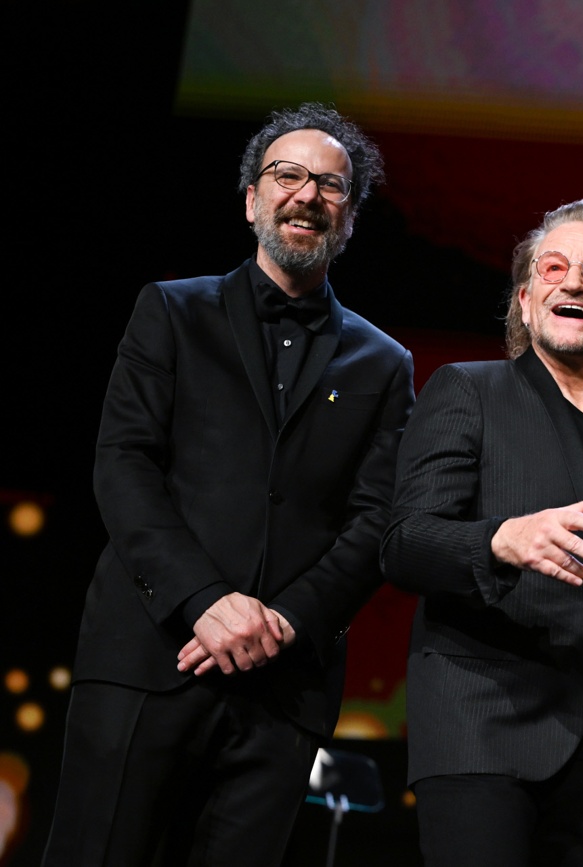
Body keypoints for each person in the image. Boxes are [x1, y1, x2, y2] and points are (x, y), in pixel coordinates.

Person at [44, 103, 415, 866]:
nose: (307, 194)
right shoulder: (172, 311)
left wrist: (281, 622)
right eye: (287, 175)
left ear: (349, 219)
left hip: (283, 691)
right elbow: (123, 464)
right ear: (252, 199)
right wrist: (205, 601)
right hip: (148, 659)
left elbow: (378, 518)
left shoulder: (384, 364)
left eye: (331, 185)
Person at [382, 199, 583, 867]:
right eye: (554, 268)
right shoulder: (468, 392)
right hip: (483, 740)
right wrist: (500, 540)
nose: (574, 282)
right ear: (527, 301)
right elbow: (404, 542)